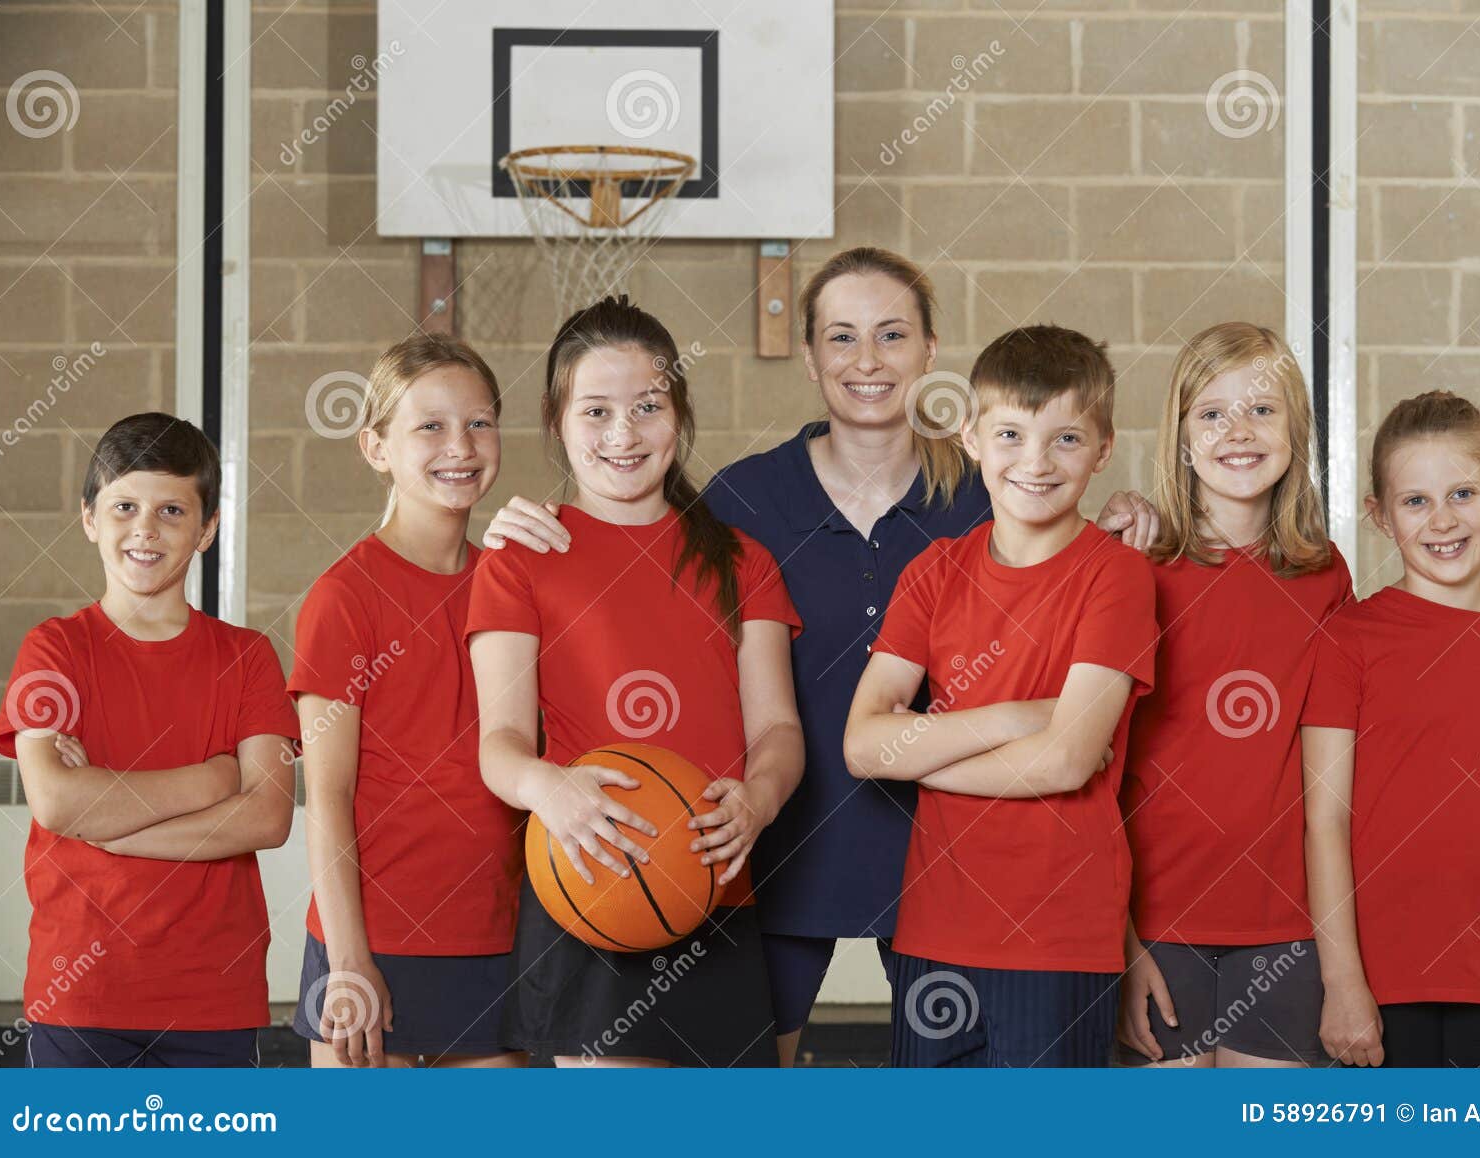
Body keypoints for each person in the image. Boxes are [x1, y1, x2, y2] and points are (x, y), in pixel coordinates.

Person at [481, 246, 1160, 1064]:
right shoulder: (744, 501)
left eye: (891, 334)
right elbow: (623, 548)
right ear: (808, 355)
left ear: (930, 350)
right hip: (774, 860)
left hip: (945, 861)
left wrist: (1128, 517)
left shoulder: (986, 491)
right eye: (841, 336)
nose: (867, 359)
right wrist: (518, 522)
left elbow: (1058, 518)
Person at [467, 295, 805, 1067]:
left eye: (648, 406)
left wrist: (759, 798)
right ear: (556, 421)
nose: (622, 433)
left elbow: (778, 729)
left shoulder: (741, 561)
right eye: (595, 411)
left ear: (679, 415)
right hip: (594, 882)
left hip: (716, 885)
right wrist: (548, 787)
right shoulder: (520, 560)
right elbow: (501, 742)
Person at [845, 324, 1157, 1067]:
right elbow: (862, 746)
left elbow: (1066, 762)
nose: (1036, 463)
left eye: (1066, 440)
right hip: (935, 931)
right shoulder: (933, 572)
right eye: (1011, 434)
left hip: (1058, 937)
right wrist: (1025, 717)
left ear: (1103, 450)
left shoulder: (1115, 575)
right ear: (972, 438)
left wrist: (919, 762)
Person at [0, 413, 297, 1067]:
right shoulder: (54, 650)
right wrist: (214, 780)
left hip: (213, 997)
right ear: (89, 518)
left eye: (172, 511)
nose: (145, 529)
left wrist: (110, 827)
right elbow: (57, 803)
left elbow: (268, 817)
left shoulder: (247, 658)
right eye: (125, 506)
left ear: (206, 530)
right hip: (81, 995)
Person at [1303, 391, 1480, 1068]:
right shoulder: (1347, 641)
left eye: (1462, 493)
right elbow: (1324, 822)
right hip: (1380, 994)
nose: (1443, 520)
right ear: (1380, 515)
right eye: (1415, 501)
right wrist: (1342, 984)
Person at [1114, 323, 1351, 1068]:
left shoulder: (1324, 574)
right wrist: (1120, 940)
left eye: (1262, 410)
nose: (1238, 431)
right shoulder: (1133, 565)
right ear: (1181, 437)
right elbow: (1093, 769)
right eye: (1213, 413)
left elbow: (1374, 689)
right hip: (1154, 918)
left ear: (1296, 430)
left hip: (1286, 920)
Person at [290, 334, 528, 1068]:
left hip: (499, 936)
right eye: (430, 425)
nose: (460, 445)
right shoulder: (344, 598)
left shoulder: (516, 584)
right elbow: (328, 796)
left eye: (479, 422)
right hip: (374, 941)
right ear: (376, 447)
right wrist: (348, 961)